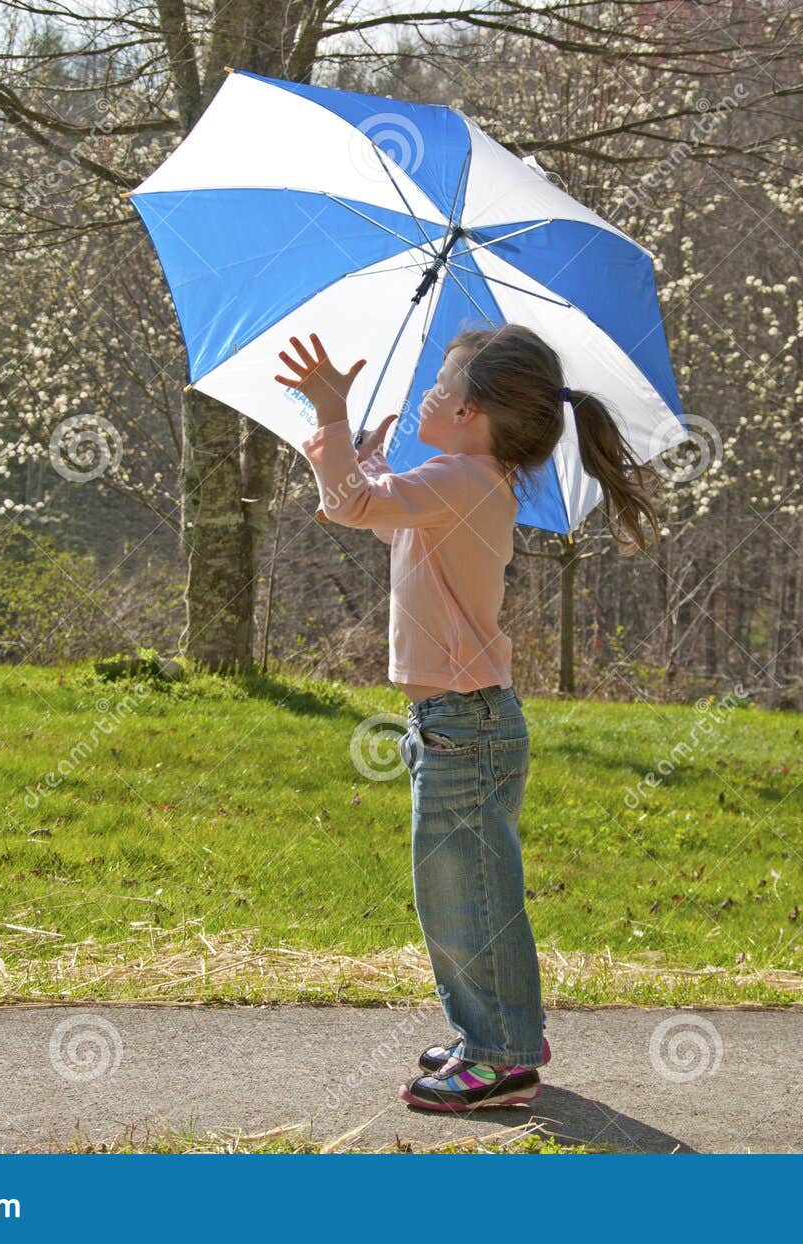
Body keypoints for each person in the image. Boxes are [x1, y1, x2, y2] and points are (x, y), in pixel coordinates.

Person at [275, 323, 659, 1111]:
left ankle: (505, 1055)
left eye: (442, 387)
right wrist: (365, 459)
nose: (428, 391)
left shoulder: (461, 481)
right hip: (461, 722)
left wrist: (336, 418)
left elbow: (352, 507)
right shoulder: (465, 481)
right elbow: (377, 512)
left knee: (468, 900)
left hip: (464, 723)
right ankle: (497, 1027)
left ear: (472, 415)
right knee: (464, 893)